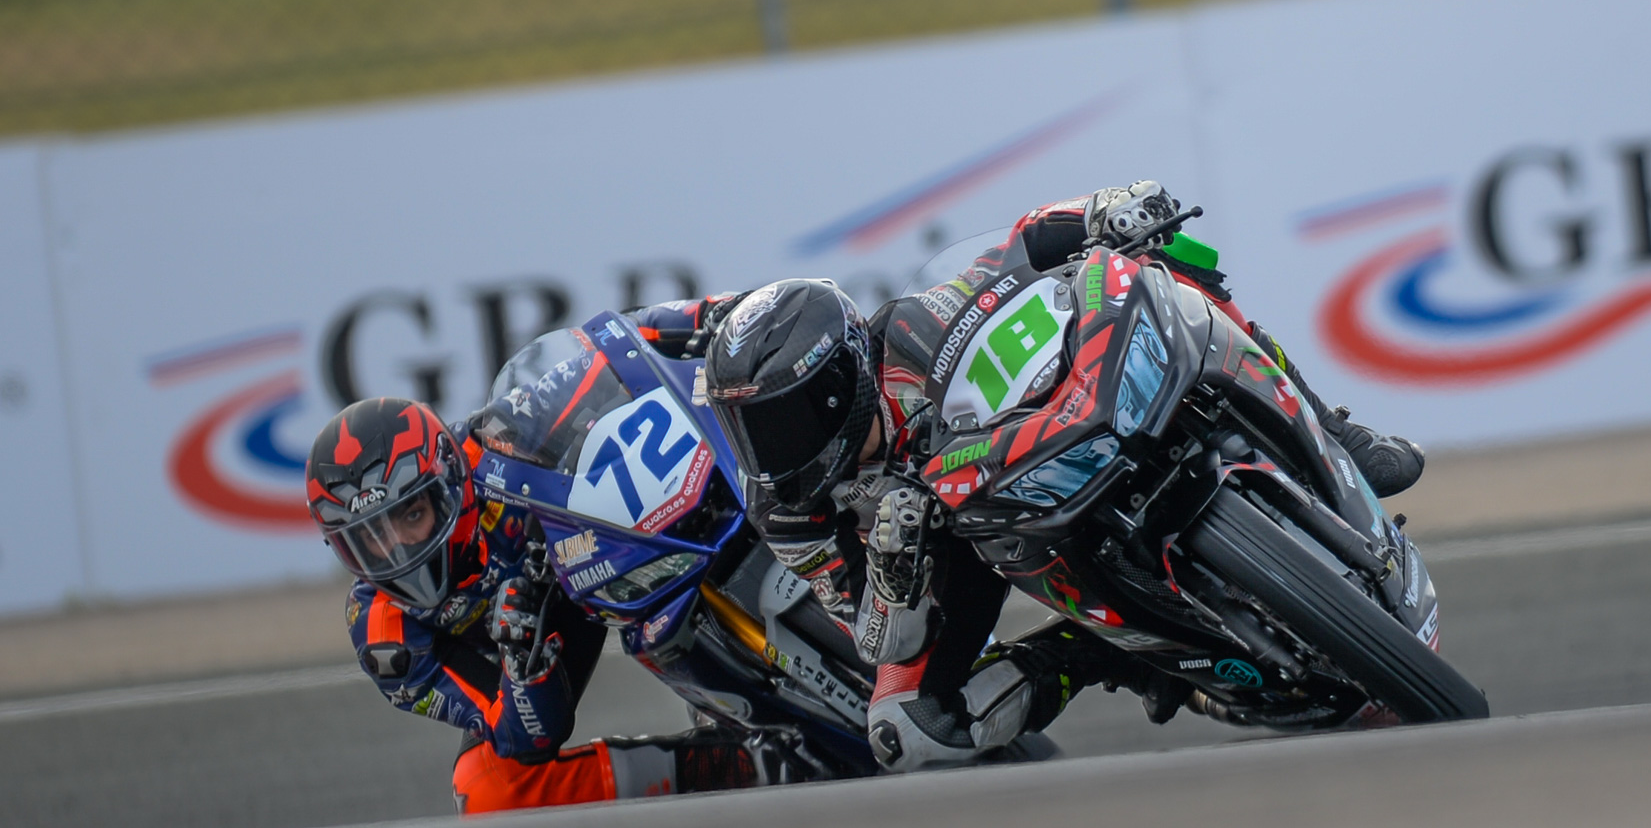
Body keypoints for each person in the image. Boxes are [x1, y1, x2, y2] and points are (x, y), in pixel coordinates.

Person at [702, 181, 1426, 771]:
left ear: (837, 381)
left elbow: (1020, 247)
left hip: (1018, 454)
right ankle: (1086, 654)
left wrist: (1102, 210)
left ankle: (1331, 428)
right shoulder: (788, 511)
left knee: (1166, 254)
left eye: (777, 421)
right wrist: (894, 575)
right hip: (948, 561)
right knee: (904, 731)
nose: (767, 449)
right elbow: (877, 641)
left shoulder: (911, 330)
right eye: (747, 426)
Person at [305, 305, 799, 815]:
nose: (400, 549)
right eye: (369, 540)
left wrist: (715, 316)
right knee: (487, 790)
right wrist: (523, 667)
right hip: (536, 646)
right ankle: (734, 767)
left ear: (448, 482)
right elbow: (524, 736)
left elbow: (613, 347)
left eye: (411, 515)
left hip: (596, 550)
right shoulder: (386, 639)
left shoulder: (491, 443)